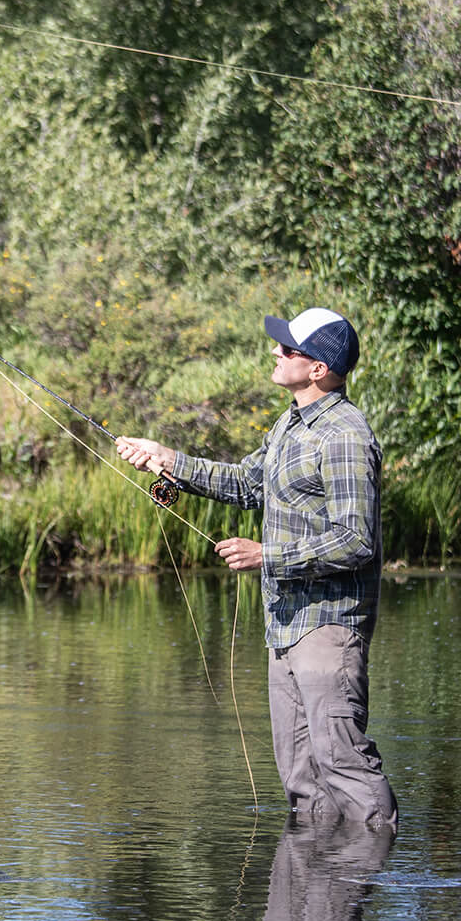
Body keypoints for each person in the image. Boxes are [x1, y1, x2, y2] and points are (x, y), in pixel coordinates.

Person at [116, 308, 397, 830]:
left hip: (329, 626)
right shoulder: (289, 424)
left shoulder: (345, 436)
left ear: (318, 369)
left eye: (288, 348)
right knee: (301, 780)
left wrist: (266, 554)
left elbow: (356, 540)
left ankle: (364, 876)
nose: (276, 352)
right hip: (284, 626)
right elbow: (246, 484)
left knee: (344, 764)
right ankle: (309, 896)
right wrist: (167, 459)